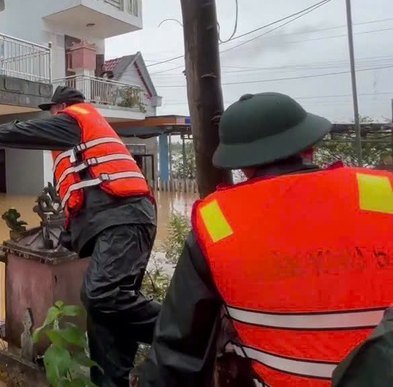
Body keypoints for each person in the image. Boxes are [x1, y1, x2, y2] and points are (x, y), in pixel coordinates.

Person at [138, 92, 393, 387]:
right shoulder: (383, 191)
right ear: (310, 146)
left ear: (241, 165)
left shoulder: (216, 221)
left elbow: (177, 350)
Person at [0, 86, 162, 387]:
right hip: (116, 222)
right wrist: (70, 237)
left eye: (51, 111)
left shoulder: (74, 119)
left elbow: (28, 132)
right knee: (105, 316)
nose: (50, 117)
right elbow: (83, 195)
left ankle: (187, 332)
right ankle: (109, 381)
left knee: (100, 295)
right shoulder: (80, 144)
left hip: (124, 219)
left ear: (61, 107)